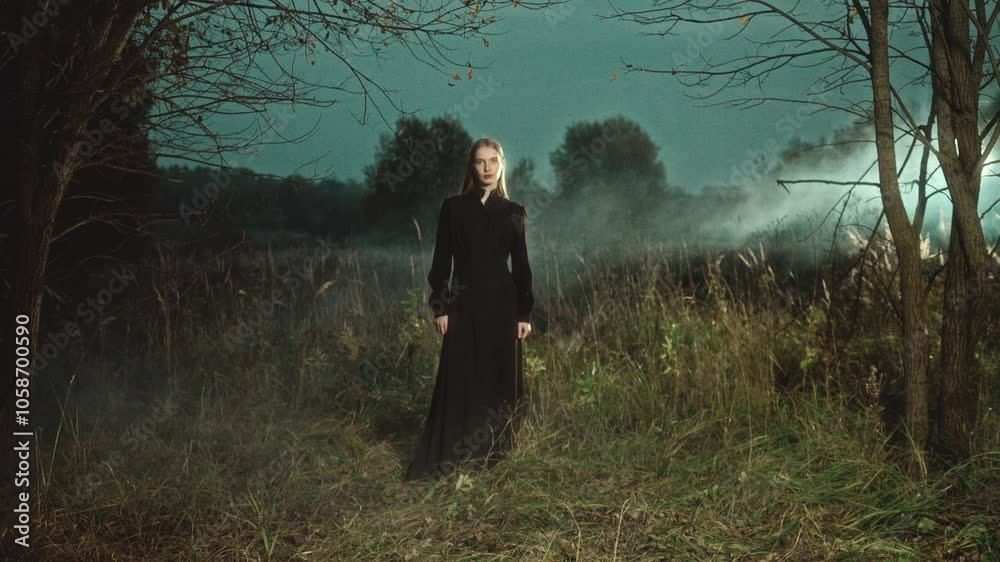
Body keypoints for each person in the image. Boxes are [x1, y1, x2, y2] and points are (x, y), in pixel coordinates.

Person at [404, 137, 534, 481]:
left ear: (502, 163)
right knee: (460, 377)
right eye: (480, 161)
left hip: (503, 308)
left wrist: (524, 313)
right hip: (462, 304)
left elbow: (521, 268)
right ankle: (452, 459)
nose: (487, 167)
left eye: (493, 160)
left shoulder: (514, 212)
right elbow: (440, 262)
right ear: (471, 167)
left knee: (499, 378)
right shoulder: (454, 208)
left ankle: (494, 460)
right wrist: (440, 307)